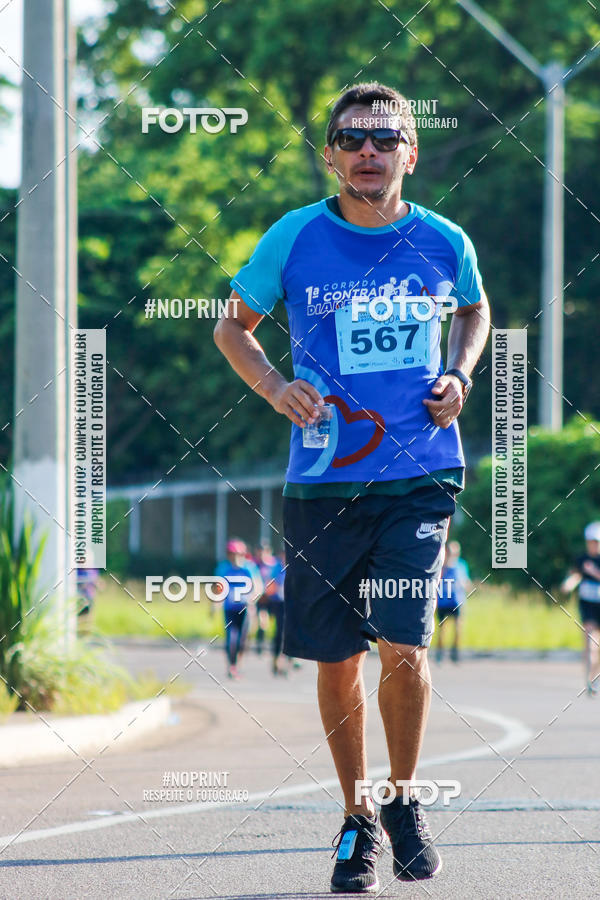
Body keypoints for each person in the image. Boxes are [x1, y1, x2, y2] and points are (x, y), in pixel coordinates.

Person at [214, 81, 490, 890]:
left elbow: (474, 311)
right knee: (336, 660)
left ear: (410, 152)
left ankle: (403, 799)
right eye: (351, 139)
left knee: (404, 643)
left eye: (384, 138)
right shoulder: (294, 236)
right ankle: (357, 817)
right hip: (323, 482)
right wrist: (274, 388)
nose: (368, 151)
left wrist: (460, 374)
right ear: (330, 154)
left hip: (419, 473)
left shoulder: (444, 239)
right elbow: (232, 325)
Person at [561, 521, 600, 696]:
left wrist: (594, 573)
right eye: (591, 542)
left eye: (597, 542)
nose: (594, 545)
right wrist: (568, 585)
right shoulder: (582, 559)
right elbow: (576, 575)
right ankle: (589, 680)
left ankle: (595, 677)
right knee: (591, 643)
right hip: (588, 606)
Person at [214, 539, 258, 679]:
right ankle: (231, 665)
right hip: (230, 608)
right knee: (231, 638)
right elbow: (219, 588)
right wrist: (215, 604)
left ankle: (238, 663)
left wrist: (252, 600)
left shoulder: (249, 568)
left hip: (245, 608)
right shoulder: (223, 568)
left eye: (238, 554)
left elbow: (258, 587)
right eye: (232, 554)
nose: (235, 557)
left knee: (242, 639)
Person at [435, 540, 471, 663]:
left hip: (457, 602)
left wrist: (465, 585)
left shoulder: (461, 565)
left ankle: (455, 653)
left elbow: (466, 581)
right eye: (450, 552)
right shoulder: (441, 565)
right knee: (442, 630)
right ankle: (439, 654)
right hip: (443, 602)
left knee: (458, 629)